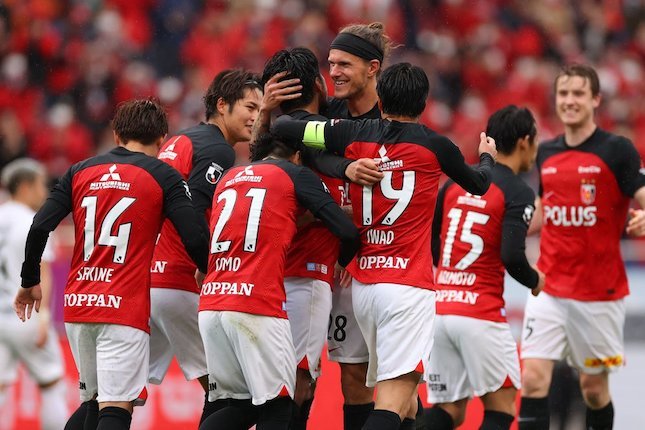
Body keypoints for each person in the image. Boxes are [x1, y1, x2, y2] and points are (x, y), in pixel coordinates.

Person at [273, 62, 497, 430]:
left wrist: (343, 165)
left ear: (382, 95)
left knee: (407, 402)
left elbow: (286, 129)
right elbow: (479, 184)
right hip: (407, 287)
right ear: (423, 102)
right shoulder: (437, 145)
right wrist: (487, 155)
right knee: (393, 399)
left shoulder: (350, 131)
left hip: (363, 287)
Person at [14, 99, 209, 430]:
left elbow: (40, 226)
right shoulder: (165, 174)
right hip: (123, 308)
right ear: (162, 139)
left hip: (78, 305)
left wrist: (29, 279)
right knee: (116, 408)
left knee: (93, 403)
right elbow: (192, 233)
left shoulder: (80, 170)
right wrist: (205, 266)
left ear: (116, 134)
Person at [197, 131, 360, 430]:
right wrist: (342, 259)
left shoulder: (229, 177)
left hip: (211, 304)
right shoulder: (295, 173)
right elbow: (347, 231)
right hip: (255, 302)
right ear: (298, 156)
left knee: (239, 405)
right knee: (280, 404)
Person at [518, 64, 645, 430]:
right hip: (549, 285)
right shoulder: (547, 152)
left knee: (592, 389)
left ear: (595, 99)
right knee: (534, 379)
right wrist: (510, 227)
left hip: (599, 293)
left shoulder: (616, 149)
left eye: (577, 94)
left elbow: (640, 190)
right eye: (563, 94)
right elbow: (544, 208)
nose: (569, 101)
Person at [149, 69, 262, 424]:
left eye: (260, 109)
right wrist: (207, 263)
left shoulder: (181, 140)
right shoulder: (217, 150)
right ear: (221, 105)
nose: (256, 116)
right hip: (181, 281)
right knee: (234, 394)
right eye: (249, 106)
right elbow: (192, 211)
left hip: (151, 279)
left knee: (115, 396)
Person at [424, 105, 545, 430]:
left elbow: (433, 245)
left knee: (449, 410)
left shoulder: (452, 185)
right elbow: (512, 255)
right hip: (481, 313)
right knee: (501, 409)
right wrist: (535, 280)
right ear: (524, 142)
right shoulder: (519, 191)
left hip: (442, 309)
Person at [0, 159, 68, 430]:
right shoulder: (34, 222)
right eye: (41, 184)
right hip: (24, 315)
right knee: (52, 383)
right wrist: (44, 317)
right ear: (26, 186)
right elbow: (42, 272)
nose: (45, 192)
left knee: (1, 386)